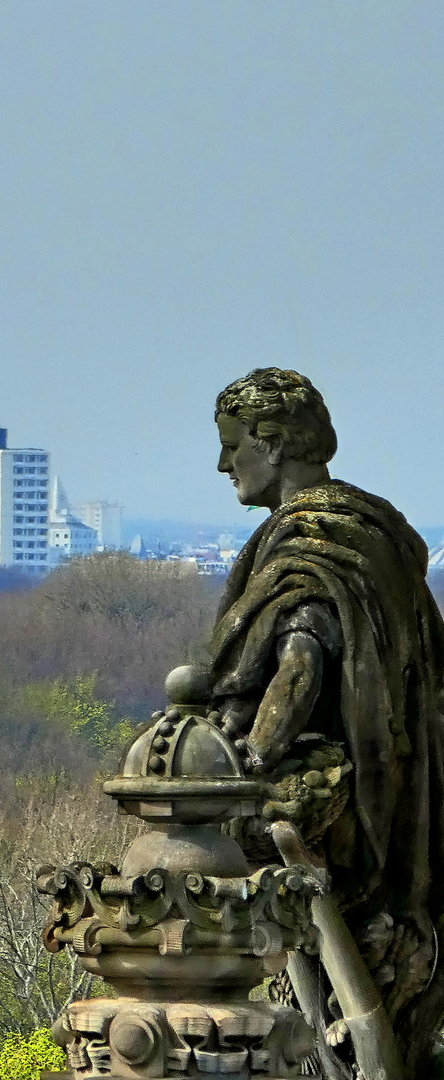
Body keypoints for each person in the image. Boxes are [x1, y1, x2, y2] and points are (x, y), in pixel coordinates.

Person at [208, 368, 444, 1076]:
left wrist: (248, 761)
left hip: (343, 834)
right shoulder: (375, 530)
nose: (222, 464)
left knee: (334, 1018)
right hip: (405, 812)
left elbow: (303, 652)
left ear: (272, 443)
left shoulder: (309, 542)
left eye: (231, 445)